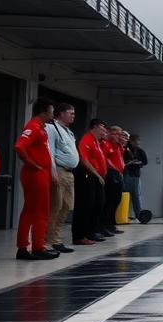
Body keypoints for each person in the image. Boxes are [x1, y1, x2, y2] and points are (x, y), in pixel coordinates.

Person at [15, 97, 58, 260]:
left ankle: (39, 245)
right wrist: (33, 164)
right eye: (52, 110)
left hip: (43, 171)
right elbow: (20, 146)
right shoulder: (33, 126)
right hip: (35, 172)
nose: (53, 113)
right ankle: (23, 247)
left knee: (43, 210)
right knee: (31, 211)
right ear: (45, 110)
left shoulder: (40, 127)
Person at [45, 103, 79, 254]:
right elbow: (50, 151)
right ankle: (48, 239)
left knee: (66, 206)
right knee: (56, 207)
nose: (73, 116)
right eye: (70, 113)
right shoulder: (52, 128)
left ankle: (56, 237)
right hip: (58, 171)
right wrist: (53, 173)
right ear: (61, 113)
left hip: (69, 172)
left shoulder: (68, 132)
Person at [73, 118, 110, 246]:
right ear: (94, 127)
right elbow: (85, 160)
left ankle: (91, 231)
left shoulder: (96, 142)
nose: (104, 130)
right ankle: (80, 235)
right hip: (88, 177)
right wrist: (96, 174)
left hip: (97, 178)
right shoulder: (87, 140)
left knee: (98, 204)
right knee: (85, 206)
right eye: (101, 127)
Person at [101, 125, 126, 235]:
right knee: (109, 200)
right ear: (111, 133)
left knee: (117, 199)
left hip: (118, 174)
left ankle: (111, 223)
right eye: (117, 134)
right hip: (111, 174)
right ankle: (105, 224)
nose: (119, 136)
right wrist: (115, 169)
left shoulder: (119, 146)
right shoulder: (106, 144)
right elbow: (105, 158)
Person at [123, 133, 148, 218]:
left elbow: (145, 161)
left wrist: (138, 163)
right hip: (127, 174)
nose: (138, 143)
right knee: (125, 194)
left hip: (135, 174)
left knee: (136, 195)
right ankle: (124, 214)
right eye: (136, 141)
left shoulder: (139, 151)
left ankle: (138, 214)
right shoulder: (126, 149)